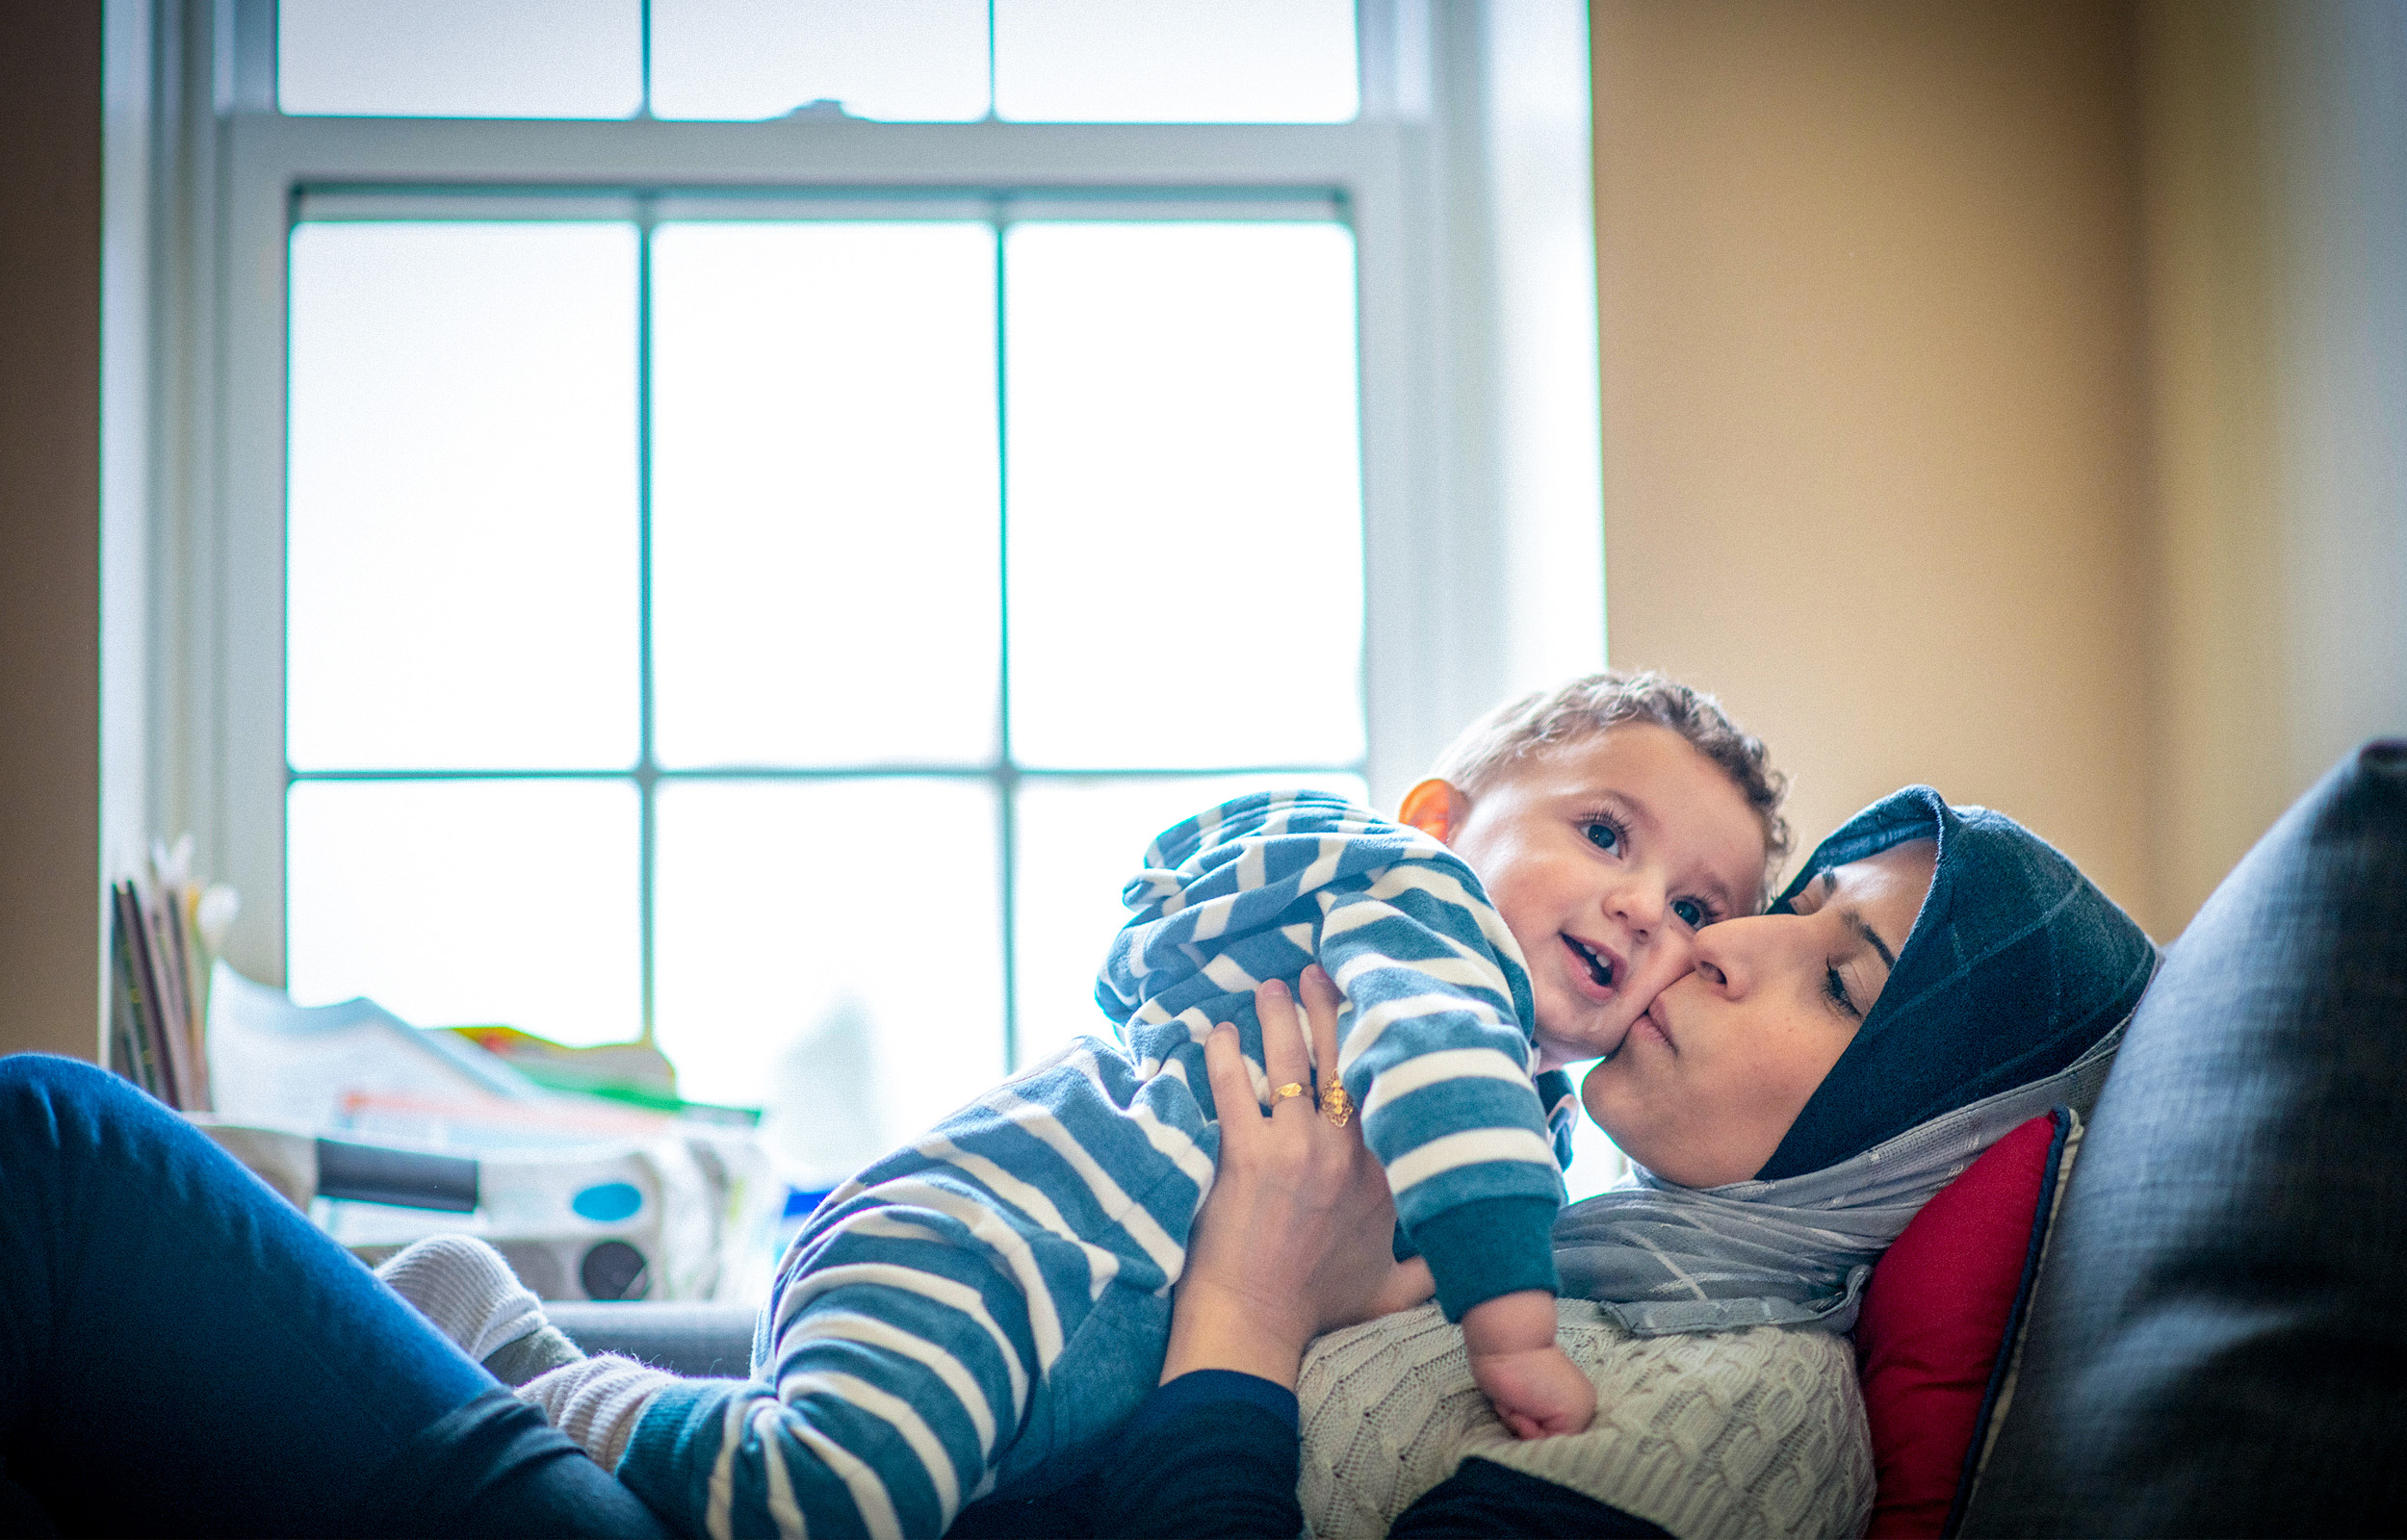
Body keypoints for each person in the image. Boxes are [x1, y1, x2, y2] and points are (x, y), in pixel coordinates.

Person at [380, 670, 1788, 1540]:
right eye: (1602, 832)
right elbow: (1442, 1079)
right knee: (844, 1498)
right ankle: (537, 1370)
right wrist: (1514, 1336)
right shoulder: (1424, 920)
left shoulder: (1532, 1122)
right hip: (987, 1246)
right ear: (1440, 820)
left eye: (1694, 908)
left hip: (1063, 1357)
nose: (1637, 905)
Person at [948, 783, 2158, 1537]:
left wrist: (1247, 1311)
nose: (1722, 943)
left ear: (1924, 1137)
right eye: (1792, 906)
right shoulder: (1554, 1241)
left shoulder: (1742, 1419)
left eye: (1839, 982)